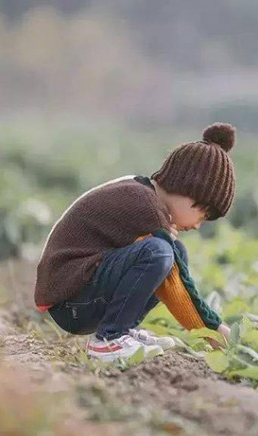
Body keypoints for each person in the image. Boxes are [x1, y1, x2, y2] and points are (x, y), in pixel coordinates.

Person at [33, 123, 236, 361]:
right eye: (202, 215)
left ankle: (121, 330)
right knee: (159, 253)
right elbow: (176, 279)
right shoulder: (145, 206)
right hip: (69, 302)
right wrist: (213, 330)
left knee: (173, 251)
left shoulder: (142, 195)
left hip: (78, 296)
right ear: (187, 191)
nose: (197, 225)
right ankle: (110, 338)